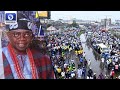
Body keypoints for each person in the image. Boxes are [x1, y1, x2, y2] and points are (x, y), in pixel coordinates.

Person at [2, 13, 55, 79]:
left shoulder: (44, 60)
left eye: (27, 34)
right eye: (16, 34)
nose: (22, 38)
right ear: (9, 36)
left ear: (31, 37)